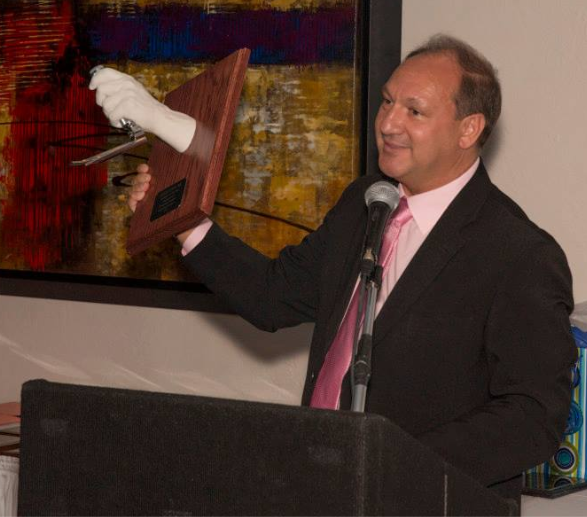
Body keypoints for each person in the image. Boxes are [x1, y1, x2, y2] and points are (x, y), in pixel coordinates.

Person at [91, 35, 576, 506]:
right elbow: (273, 296)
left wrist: (392, 463)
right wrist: (187, 224)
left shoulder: (518, 253)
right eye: (387, 102)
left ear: (469, 129)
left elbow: (533, 418)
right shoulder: (365, 204)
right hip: (322, 492)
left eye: (414, 111)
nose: (387, 122)